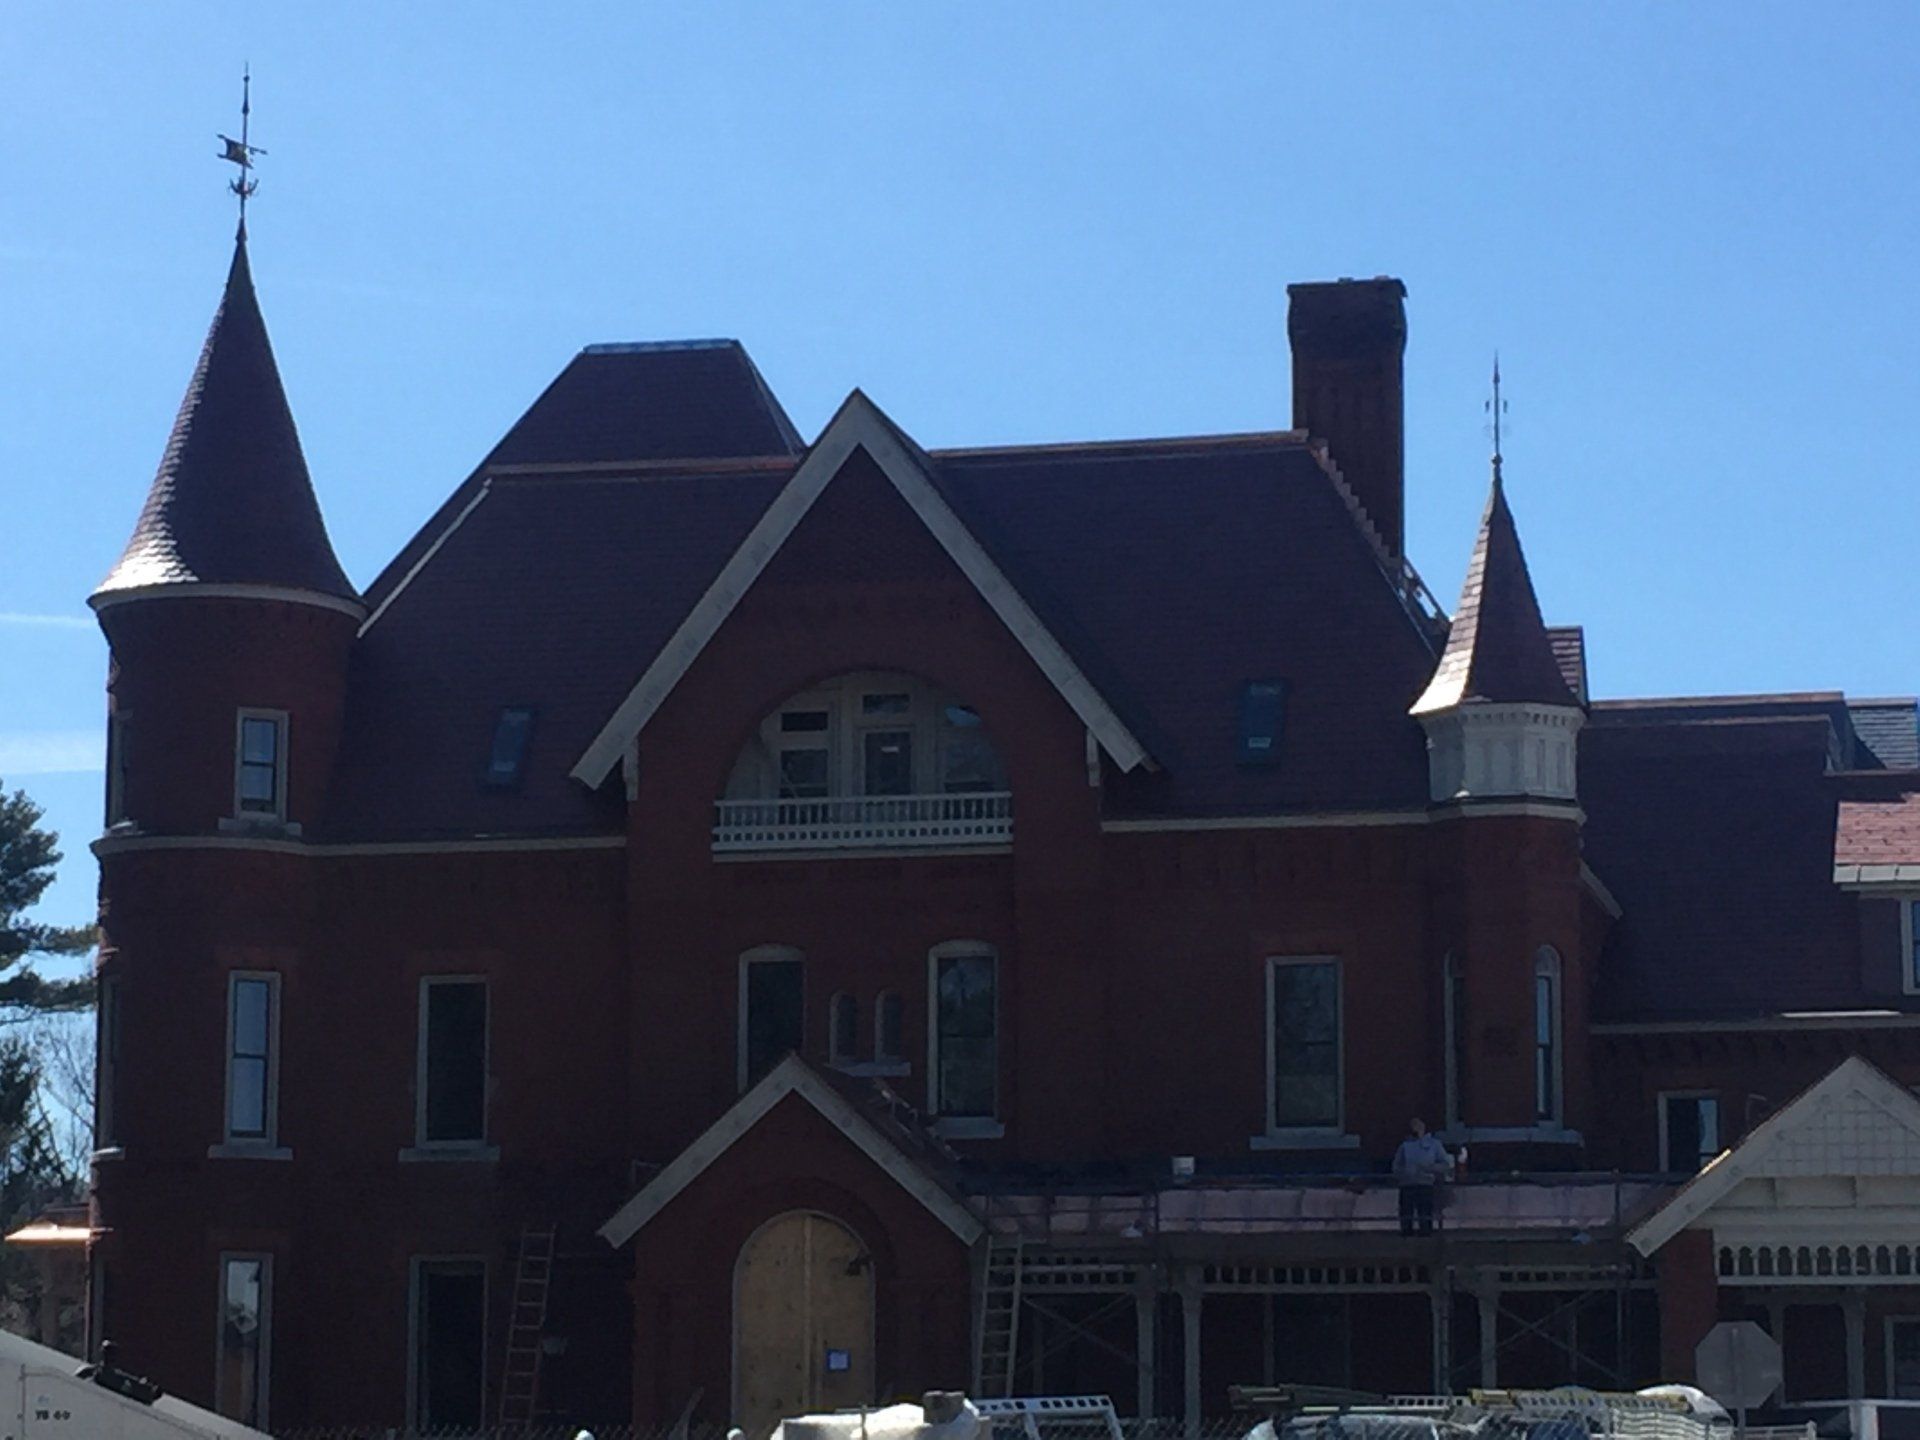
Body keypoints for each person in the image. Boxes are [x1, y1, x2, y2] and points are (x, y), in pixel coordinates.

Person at [1392, 1116, 1454, 1235]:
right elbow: (1396, 1165)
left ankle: (1426, 1235)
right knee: (1406, 1214)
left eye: (1417, 1125)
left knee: (1425, 1213)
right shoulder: (1404, 1145)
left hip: (1426, 1183)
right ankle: (1407, 1235)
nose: (1415, 1128)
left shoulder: (1434, 1144)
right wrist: (1404, 1174)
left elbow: (1446, 1164)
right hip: (1407, 1185)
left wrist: (1430, 1168)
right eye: (1413, 1125)